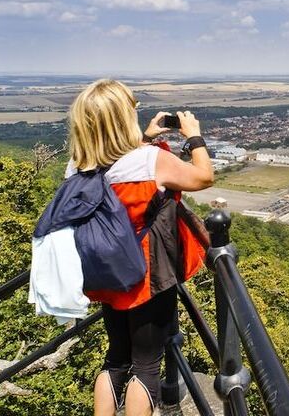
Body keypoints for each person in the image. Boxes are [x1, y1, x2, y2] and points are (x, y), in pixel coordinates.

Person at [65, 79, 214, 416]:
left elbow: (114, 166)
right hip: (147, 275)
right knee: (146, 366)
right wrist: (193, 134)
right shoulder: (148, 161)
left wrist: (146, 137)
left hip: (106, 273)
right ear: (123, 119)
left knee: (116, 358)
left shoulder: (76, 167)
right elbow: (203, 177)